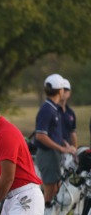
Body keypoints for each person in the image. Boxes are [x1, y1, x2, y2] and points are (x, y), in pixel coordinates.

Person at [34, 73, 76, 205]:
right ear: (60, 91)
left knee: (55, 188)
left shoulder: (53, 108)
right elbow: (40, 135)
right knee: (50, 190)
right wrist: (61, 148)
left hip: (53, 153)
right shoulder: (48, 109)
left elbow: (54, 134)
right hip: (47, 154)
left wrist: (65, 145)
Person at [61, 79, 77, 149]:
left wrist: (74, 148)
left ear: (69, 93)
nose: (64, 92)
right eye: (62, 90)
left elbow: (72, 133)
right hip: (54, 149)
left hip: (68, 150)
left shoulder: (71, 113)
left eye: (66, 90)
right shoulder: (52, 110)